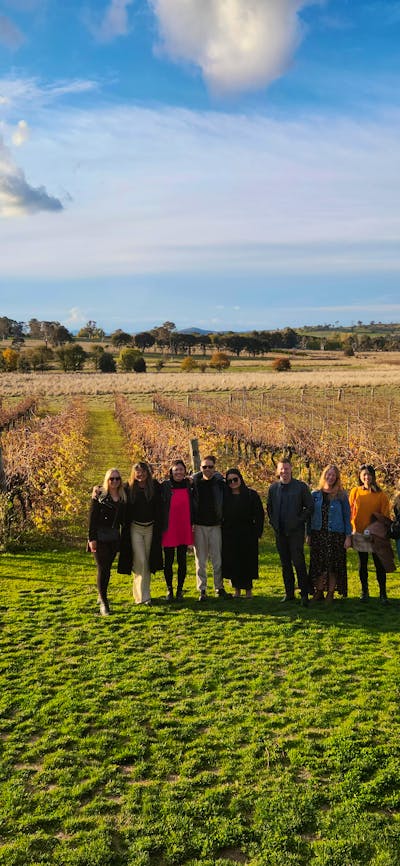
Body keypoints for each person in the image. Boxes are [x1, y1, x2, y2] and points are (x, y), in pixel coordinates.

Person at [267, 458, 314, 606]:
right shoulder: (273, 488)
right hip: (280, 532)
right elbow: (269, 508)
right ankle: (289, 593)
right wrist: (274, 523)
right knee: (285, 564)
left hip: (295, 532)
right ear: (278, 471)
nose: (284, 471)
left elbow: (310, 507)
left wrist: (299, 521)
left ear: (291, 469)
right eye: (281, 469)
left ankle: (304, 594)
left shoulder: (300, 487)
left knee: (299, 563)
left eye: (286, 469)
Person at [117, 461, 163, 605]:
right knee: (140, 561)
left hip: (150, 528)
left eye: (143, 471)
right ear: (133, 473)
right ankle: (142, 597)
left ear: (147, 473)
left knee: (147, 562)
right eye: (137, 472)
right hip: (135, 528)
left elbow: (171, 486)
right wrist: (96, 489)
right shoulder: (128, 488)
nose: (140, 474)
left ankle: (144, 594)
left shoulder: (154, 486)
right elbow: (111, 489)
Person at [306, 464, 351, 603]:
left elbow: (347, 517)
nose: (330, 477)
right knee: (318, 565)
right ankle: (319, 591)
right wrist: (308, 534)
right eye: (328, 474)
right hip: (318, 534)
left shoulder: (342, 496)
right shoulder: (315, 494)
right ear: (324, 475)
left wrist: (348, 537)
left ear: (337, 478)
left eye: (333, 475)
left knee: (333, 565)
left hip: (336, 535)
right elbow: (309, 516)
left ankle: (330, 593)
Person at [349, 464, 392, 603]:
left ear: (373, 476)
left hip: (375, 535)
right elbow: (350, 511)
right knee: (363, 564)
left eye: (369, 474)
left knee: (379, 564)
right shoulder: (355, 492)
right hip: (359, 533)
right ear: (360, 477)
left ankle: (383, 593)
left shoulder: (381, 495)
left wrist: (376, 529)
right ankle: (364, 591)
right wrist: (352, 528)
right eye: (364, 474)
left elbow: (385, 515)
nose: (367, 477)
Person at [88, 468, 127, 616]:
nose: (115, 481)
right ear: (107, 480)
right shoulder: (99, 496)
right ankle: (104, 603)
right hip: (100, 537)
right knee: (103, 569)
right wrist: (91, 539)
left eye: (117, 479)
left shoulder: (123, 496)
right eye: (112, 479)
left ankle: (101, 594)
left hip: (114, 537)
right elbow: (92, 519)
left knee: (107, 569)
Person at [192, 455, 230, 601]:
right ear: (200, 468)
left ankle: (219, 587)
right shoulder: (194, 483)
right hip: (199, 525)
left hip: (215, 525)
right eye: (204, 467)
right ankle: (202, 589)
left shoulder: (220, 484)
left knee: (217, 559)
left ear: (215, 467)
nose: (207, 469)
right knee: (200, 561)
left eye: (210, 467)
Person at [222, 468, 264, 598]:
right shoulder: (225, 496)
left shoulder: (251, 494)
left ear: (240, 478)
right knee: (233, 562)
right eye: (230, 481)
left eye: (235, 479)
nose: (233, 482)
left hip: (248, 533)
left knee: (247, 562)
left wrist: (257, 532)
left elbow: (259, 514)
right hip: (230, 534)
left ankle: (248, 590)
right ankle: (236, 590)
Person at [161, 459, 194, 602]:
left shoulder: (189, 485)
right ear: (171, 472)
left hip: (184, 526)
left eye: (181, 469)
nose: (179, 472)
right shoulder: (165, 486)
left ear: (185, 471)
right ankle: (169, 589)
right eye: (176, 470)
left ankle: (180, 590)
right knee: (168, 560)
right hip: (169, 527)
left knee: (182, 560)